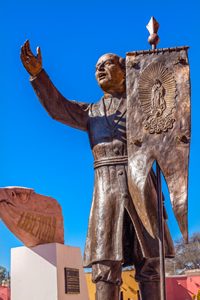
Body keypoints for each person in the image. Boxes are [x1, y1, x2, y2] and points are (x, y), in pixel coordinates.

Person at [20, 40, 174, 300]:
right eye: (96, 67)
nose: (100, 69)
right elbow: (59, 107)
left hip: (142, 188)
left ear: (124, 70)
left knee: (150, 263)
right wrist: (38, 75)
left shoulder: (144, 107)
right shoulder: (90, 112)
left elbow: (169, 127)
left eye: (107, 64)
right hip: (107, 192)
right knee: (104, 266)